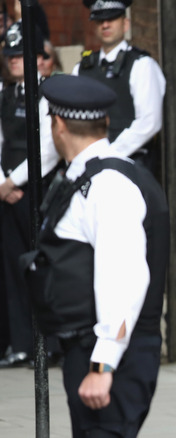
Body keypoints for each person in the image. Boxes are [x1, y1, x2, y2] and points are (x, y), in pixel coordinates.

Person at [24, 73, 169, 437]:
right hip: (93, 347)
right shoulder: (94, 175)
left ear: (57, 125)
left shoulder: (109, 185)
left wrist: (103, 364)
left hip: (110, 352)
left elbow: (125, 275)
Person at [0, 21, 59, 368]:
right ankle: (21, 343)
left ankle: (49, 344)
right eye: (9, 55)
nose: (13, 61)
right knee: (11, 268)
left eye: (20, 55)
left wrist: (14, 182)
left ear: (38, 57)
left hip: (36, 193)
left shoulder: (48, 93)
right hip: (7, 194)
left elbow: (48, 148)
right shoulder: (4, 94)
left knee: (42, 267)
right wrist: (2, 184)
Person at [73, 0, 166, 171]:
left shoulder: (141, 65)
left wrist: (107, 155)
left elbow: (149, 122)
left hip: (130, 165)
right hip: (88, 167)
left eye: (112, 19)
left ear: (126, 24)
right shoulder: (81, 68)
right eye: (100, 20)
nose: (105, 25)